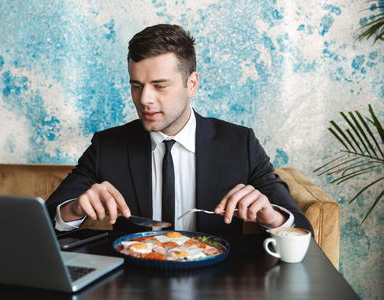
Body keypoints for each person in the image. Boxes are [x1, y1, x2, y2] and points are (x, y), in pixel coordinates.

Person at [46, 24, 314, 236]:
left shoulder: (240, 143)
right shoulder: (108, 146)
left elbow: (301, 229)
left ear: (192, 84)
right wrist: (74, 209)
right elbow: (45, 222)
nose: (144, 99)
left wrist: (272, 217)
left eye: (160, 86)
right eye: (136, 86)